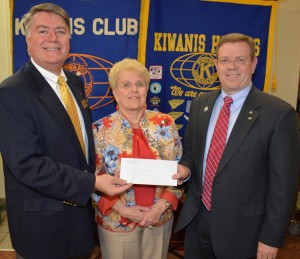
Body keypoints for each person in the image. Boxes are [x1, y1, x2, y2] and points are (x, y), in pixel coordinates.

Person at [0, 3, 130, 259]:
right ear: (27, 38)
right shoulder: (12, 92)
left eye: (60, 31)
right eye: (42, 31)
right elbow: (27, 165)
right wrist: (92, 182)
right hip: (42, 228)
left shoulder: (74, 81)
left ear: (69, 38)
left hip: (79, 220)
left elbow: (78, 146)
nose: (52, 38)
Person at [175, 33, 300, 259]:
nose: (232, 66)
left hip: (245, 232)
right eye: (225, 60)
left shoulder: (279, 114)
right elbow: (191, 154)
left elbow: (284, 185)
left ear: (253, 64)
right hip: (198, 221)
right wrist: (185, 169)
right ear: (216, 65)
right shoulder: (200, 105)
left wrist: (270, 238)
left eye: (240, 59)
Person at [92, 58, 184, 259]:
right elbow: (90, 180)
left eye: (139, 84)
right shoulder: (99, 130)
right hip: (116, 220)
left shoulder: (166, 123)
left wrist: (160, 208)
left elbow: (180, 174)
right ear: (115, 92)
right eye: (126, 85)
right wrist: (124, 209)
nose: (134, 89)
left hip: (159, 218)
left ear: (146, 90)